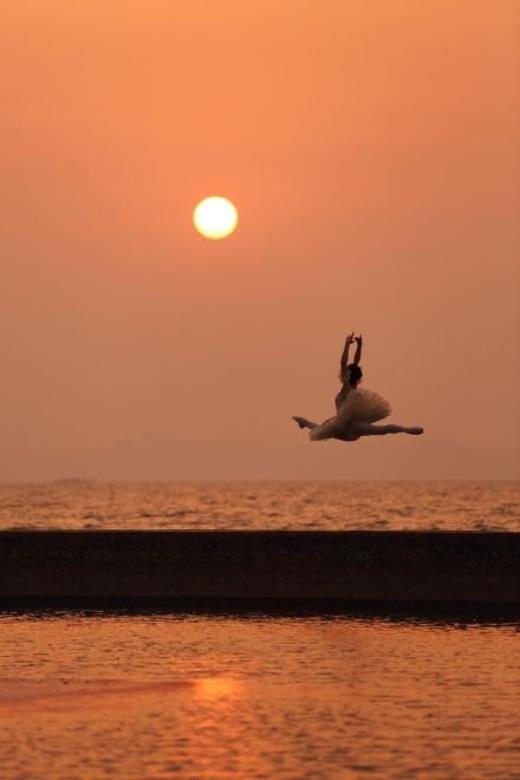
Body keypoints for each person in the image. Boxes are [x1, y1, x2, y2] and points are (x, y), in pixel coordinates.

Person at [292, 333, 423, 442]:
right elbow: (355, 363)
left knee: (320, 429)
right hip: (349, 428)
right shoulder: (351, 385)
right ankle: (407, 429)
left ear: (347, 375)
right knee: (382, 430)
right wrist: (360, 346)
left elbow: (344, 363)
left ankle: (304, 422)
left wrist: (346, 344)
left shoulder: (346, 385)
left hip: (345, 428)